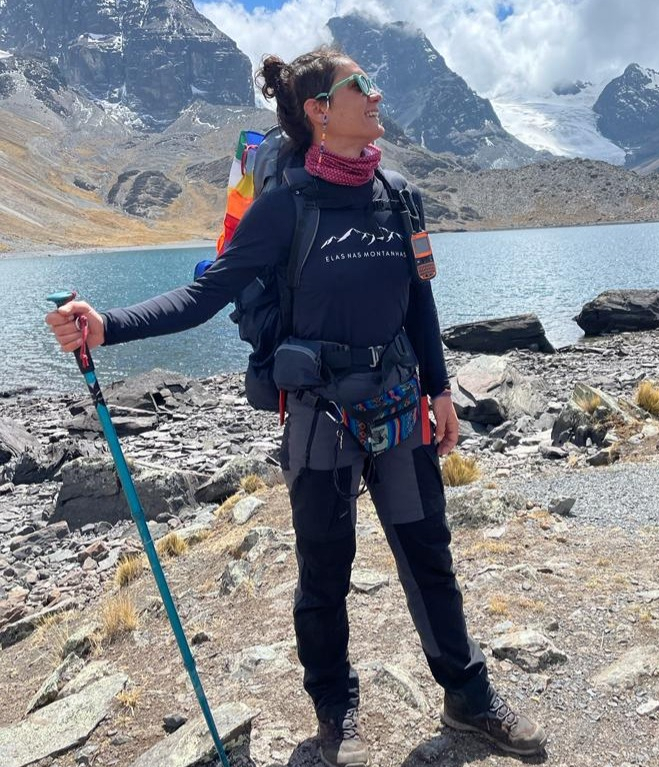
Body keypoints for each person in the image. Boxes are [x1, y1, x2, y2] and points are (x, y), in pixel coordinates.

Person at [46, 48, 547, 767]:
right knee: (324, 571)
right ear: (318, 110)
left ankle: (467, 697)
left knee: (429, 557)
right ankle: (334, 711)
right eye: (359, 85)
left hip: (400, 408)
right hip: (321, 419)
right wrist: (108, 325)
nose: (376, 94)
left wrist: (440, 390)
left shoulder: (399, 195)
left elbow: (419, 302)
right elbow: (206, 293)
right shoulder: (284, 205)